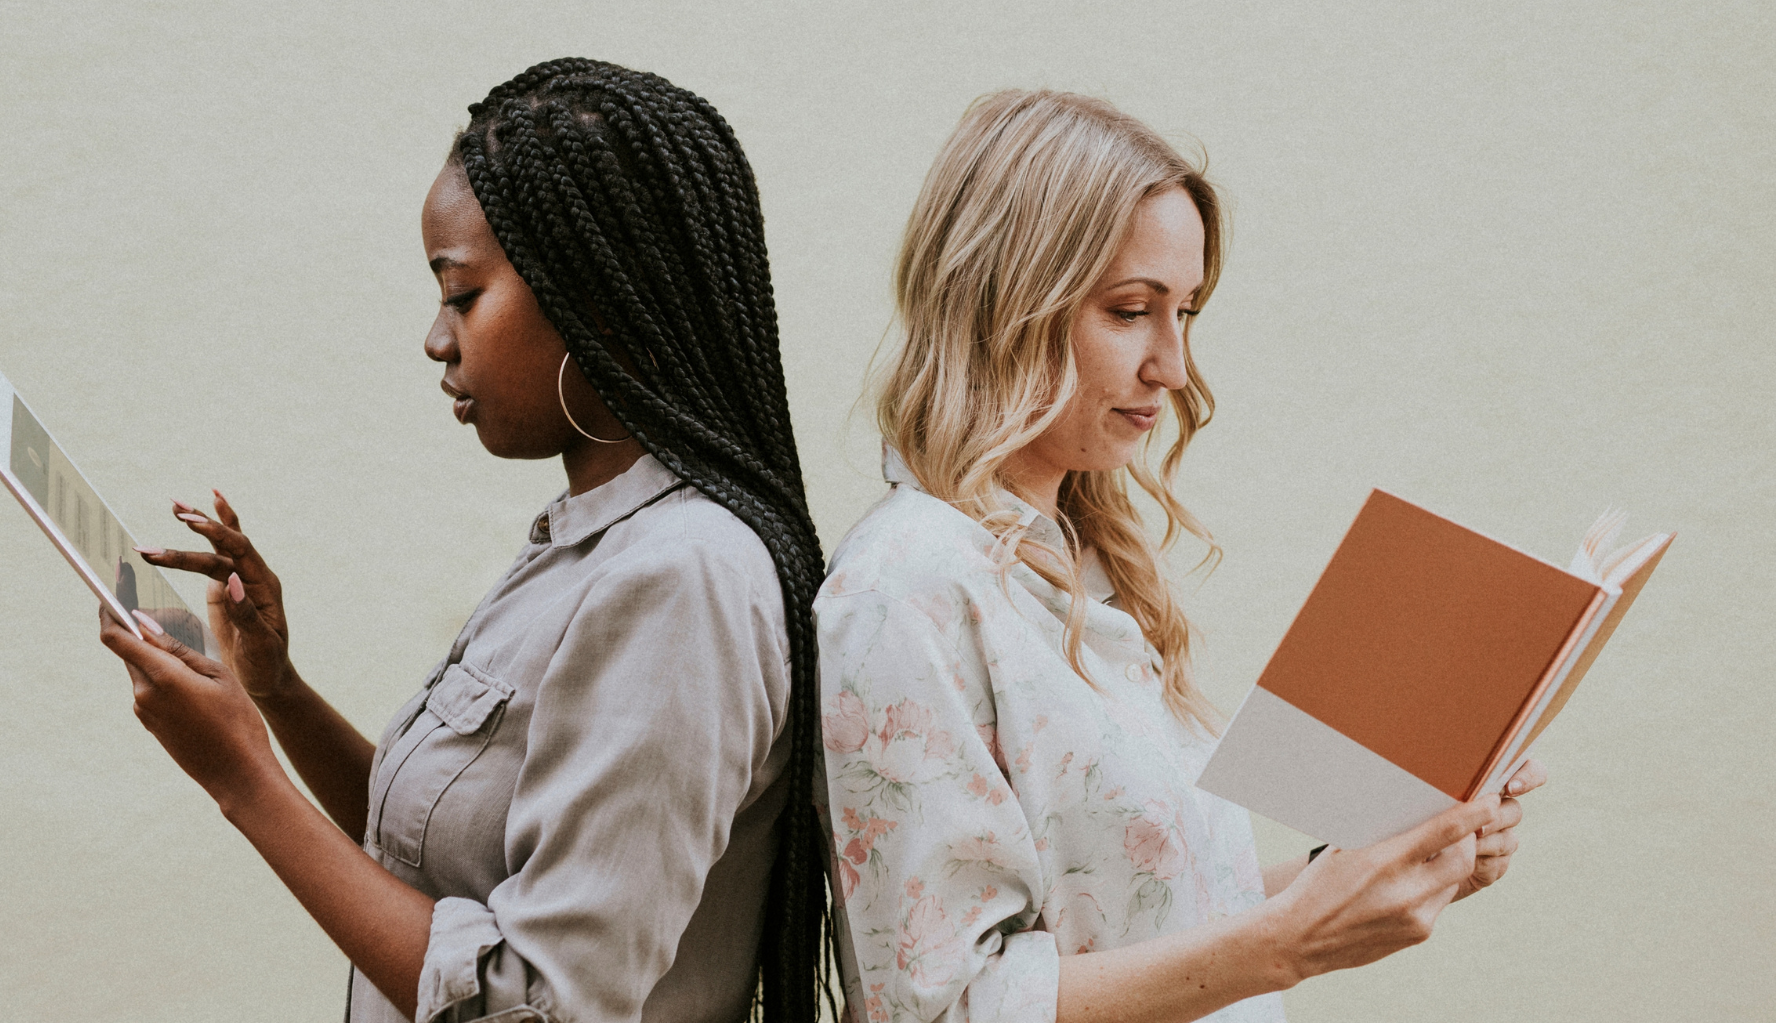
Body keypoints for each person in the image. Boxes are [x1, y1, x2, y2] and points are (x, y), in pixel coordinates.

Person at [98, 59, 829, 1023]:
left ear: (593, 300)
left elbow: (543, 1004)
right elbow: (444, 863)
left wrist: (242, 779)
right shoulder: (594, 546)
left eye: (464, 294)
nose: (437, 341)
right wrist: (276, 692)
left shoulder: (681, 580)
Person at [815, 90, 1546, 1023]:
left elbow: (1157, 923)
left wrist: (1365, 874)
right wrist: (1288, 944)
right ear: (1005, 302)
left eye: (1187, 312)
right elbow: (940, 1007)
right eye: (1130, 311)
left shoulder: (1085, 557)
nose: (1174, 366)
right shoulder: (905, 586)